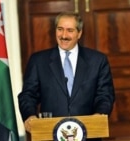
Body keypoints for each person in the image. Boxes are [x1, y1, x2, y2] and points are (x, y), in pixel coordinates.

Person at [18, 11, 115, 141]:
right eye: (60, 29)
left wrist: (99, 115)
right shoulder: (38, 61)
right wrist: (30, 116)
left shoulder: (97, 60)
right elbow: (28, 95)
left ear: (79, 33)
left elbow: (105, 94)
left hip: (88, 134)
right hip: (49, 134)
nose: (64, 35)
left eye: (70, 30)